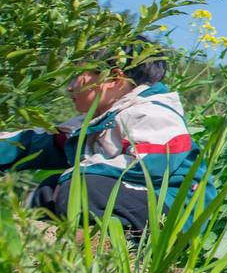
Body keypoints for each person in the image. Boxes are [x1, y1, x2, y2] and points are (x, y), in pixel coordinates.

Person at [0, 36, 211, 234]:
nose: (70, 86)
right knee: (47, 190)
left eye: (77, 75)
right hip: (128, 198)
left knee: (78, 188)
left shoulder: (151, 111)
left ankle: (128, 241)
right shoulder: (95, 122)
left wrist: (75, 172)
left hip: (171, 209)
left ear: (114, 79)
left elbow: (150, 164)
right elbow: (34, 143)